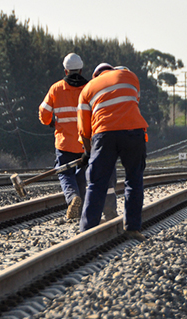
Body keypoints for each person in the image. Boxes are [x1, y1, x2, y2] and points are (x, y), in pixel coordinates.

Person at [39, 53, 118, 220]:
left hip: (64, 142)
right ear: (81, 70)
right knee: (83, 174)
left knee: (64, 173)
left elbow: (44, 113)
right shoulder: (90, 88)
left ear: (66, 70)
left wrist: (50, 122)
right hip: (87, 143)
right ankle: (82, 208)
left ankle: (73, 197)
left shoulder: (56, 88)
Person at [77, 63, 148, 234]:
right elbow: (133, 102)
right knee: (134, 180)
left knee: (96, 183)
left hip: (104, 134)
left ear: (96, 75)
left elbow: (84, 129)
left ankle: (87, 230)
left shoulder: (87, 89)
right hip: (133, 132)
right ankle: (133, 228)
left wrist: (88, 151)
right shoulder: (130, 76)